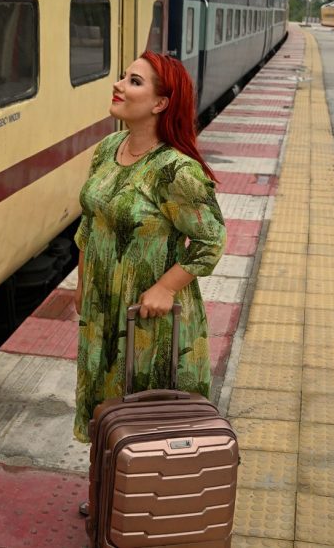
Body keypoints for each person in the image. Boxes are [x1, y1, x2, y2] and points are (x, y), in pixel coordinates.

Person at [73, 51, 226, 508]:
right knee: (107, 403)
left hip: (150, 320)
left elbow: (210, 241)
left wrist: (164, 287)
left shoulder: (175, 170)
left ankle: (151, 507)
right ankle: (108, 500)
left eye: (134, 81)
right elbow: (88, 225)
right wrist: (82, 284)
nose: (119, 85)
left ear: (161, 103)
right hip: (103, 308)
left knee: (147, 415)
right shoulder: (107, 149)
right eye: (123, 77)